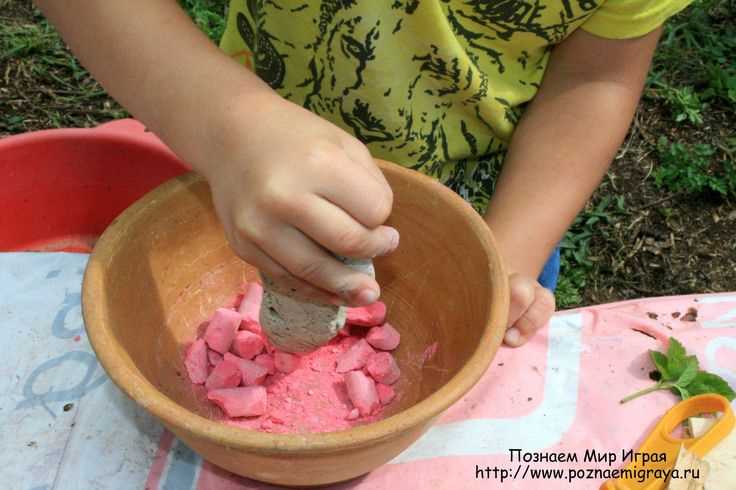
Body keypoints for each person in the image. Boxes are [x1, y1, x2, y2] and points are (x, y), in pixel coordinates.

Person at [36, 0, 690, 347]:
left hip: (487, 196)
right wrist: (226, 121)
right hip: (247, 164)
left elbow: (596, 75)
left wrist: (502, 256)